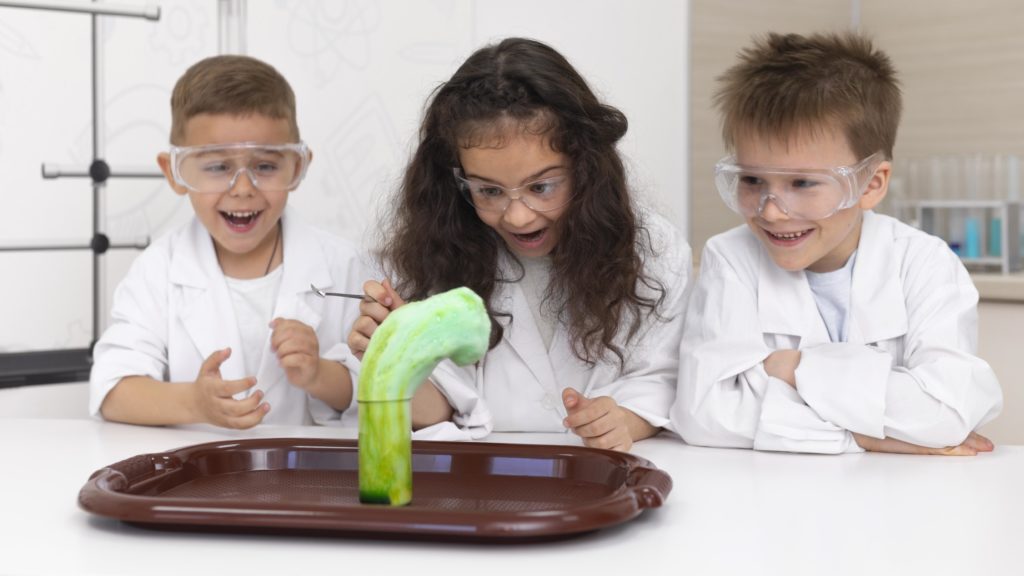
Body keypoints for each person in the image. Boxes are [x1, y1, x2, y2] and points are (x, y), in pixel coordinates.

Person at [347, 38, 691, 451]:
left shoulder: (653, 250)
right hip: (479, 482)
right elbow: (437, 412)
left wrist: (625, 419)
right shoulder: (426, 259)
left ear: (586, 166)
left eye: (541, 186)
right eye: (489, 191)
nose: (518, 216)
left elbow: (660, 377)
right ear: (456, 180)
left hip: (601, 474)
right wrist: (398, 355)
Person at [671, 31, 1002, 454]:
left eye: (803, 183)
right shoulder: (731, 257)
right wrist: (870, 436)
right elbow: (705, 416)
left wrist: (794, 369)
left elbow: (947, 414)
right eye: (752, 180)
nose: (771, 210)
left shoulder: (925, 263)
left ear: (871, 183)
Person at [90, 55, 367, 428]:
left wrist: (319, 375)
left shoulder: (345, 267)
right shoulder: (158, 270)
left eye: (265, 166)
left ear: (298, 167)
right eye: (218, 167)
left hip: (310, 478)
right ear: (174, 173)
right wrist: (194, 403)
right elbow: (113, 392)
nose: (242, 190)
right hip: (201, 479)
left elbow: (385, 391)